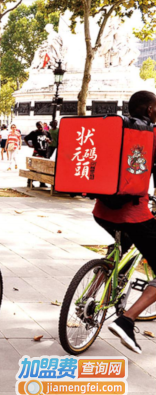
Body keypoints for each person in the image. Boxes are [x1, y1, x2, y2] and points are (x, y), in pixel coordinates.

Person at [99, 91, 156, 355]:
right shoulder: (150, 135)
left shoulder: (115, 129)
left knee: (123, 246)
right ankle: (126, 320)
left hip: (101, 211)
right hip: (133, 214)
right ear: (150, 109)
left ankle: (104, 284)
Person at [25, 121, 51, 187]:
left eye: (41, 126)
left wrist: (49, 141)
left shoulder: (47, 132)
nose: (40, 128)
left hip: (45, 153)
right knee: (33, 167)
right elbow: (26, 138)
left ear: (43, 125)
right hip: (37, 152)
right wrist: (29, 145)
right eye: (38, 127)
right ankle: (29, 182)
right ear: (37, 126)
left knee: (44, 168)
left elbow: (51, 141)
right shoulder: (34, 133)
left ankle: (42, 183)